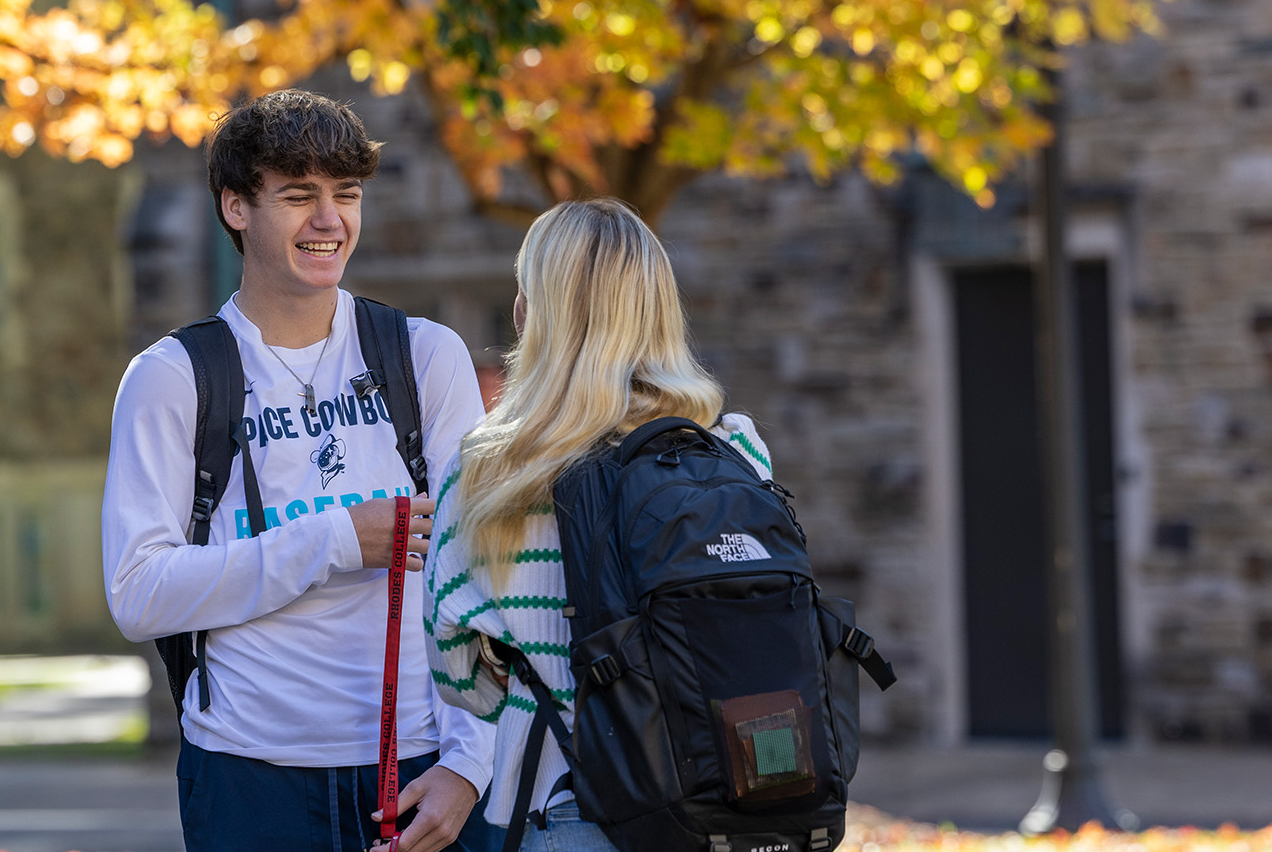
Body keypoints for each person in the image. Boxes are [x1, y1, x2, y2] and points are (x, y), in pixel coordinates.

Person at [101, 89, 499, 852]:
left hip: (419, 767)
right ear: (236, 207)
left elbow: (482, 575)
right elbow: (139, 592)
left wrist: (470, 764)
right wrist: (335, 539)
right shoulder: (174, 376)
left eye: (345, 194)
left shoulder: (423, 356)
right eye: (297, 196)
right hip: (250, 778)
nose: (329, 221)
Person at [421, 198, 774, 851]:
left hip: (572, 809)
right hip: (734, 808)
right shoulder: (734, 451)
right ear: (657, 310)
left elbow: (461, 680)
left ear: (531, 313)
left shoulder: (487, 471)